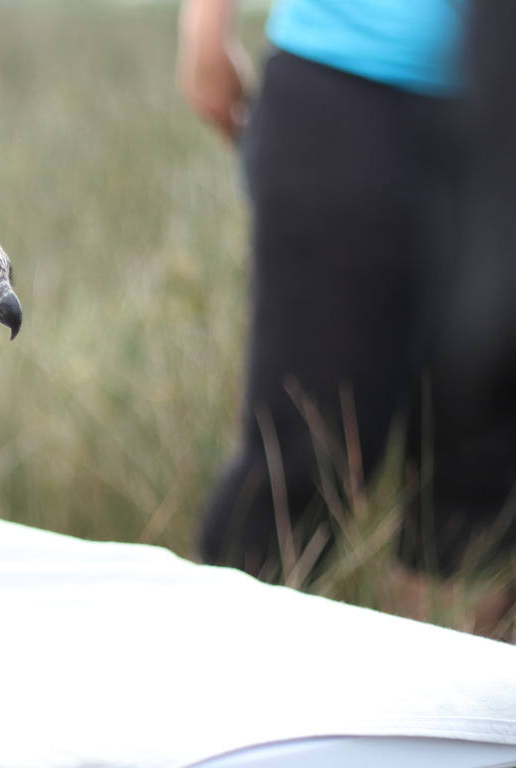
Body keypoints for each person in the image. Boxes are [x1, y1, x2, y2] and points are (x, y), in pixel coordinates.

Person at [178, 0, 516, 631]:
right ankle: (207, 691)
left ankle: (441, 713)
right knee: (305, 446)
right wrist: (206, 28)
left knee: (485, 463)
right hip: (347, 74)